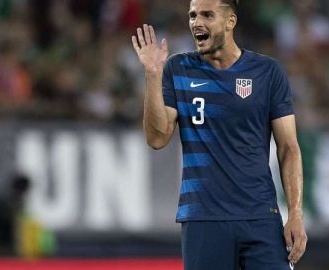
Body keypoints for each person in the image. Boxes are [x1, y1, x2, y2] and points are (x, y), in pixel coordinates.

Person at [131, 0, 307, 269]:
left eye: (207, 15)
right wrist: (153, 74)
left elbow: (288, 148)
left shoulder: (267, 72)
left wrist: (295, 212)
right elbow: (157, 138)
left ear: (230, 21)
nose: (196, 22)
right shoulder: (178, 69)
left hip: (260, 215)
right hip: (203, 217)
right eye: (192, 15)